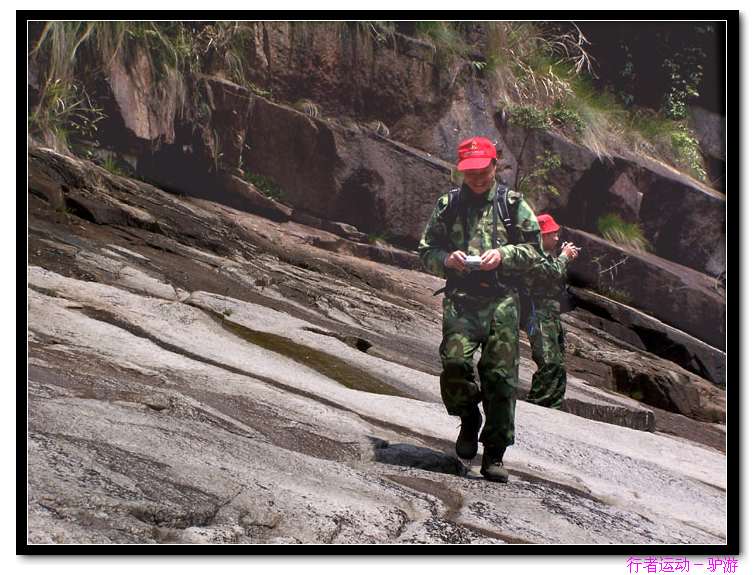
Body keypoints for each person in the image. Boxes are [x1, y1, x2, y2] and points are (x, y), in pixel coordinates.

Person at [418, 136, 542, 483]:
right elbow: (426, 250)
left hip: (502, 302)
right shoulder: (450, 204)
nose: (476, 177)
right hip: (461, 300)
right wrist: (447, 259)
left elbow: (535, 252)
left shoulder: (513, 204)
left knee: (500, 379)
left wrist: (504, 255)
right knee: (455, 363)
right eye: (469, 171)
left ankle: (495, 454)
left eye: (482, 169)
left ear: (495, 163)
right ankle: (468, 416)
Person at [522, 213, 579, 409]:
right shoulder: (531, 254)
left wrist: (563, 258)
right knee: (548, 362)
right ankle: (536, 405)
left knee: (558, 364)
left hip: (551, 315)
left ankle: (552, 405)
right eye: (552, 234)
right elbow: (551, 272)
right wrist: (564, 257)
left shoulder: (547, 255)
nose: (556, 238)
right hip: (536, 313)